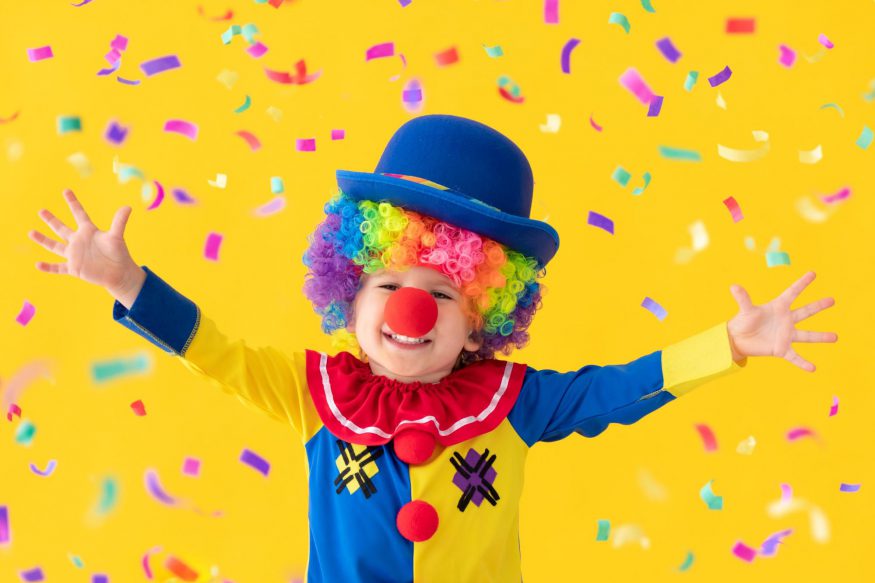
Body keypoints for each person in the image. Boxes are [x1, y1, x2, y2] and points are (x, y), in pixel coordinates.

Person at [28, 115, 837, 582]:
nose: (411, 304)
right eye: (388, 283)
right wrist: (131, 284)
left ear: (483, 312)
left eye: (443, 290)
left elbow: (612, 391)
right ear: (348, 289)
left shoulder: (515, 401)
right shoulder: (314, 392)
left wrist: (726, 343)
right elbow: (217, 351)